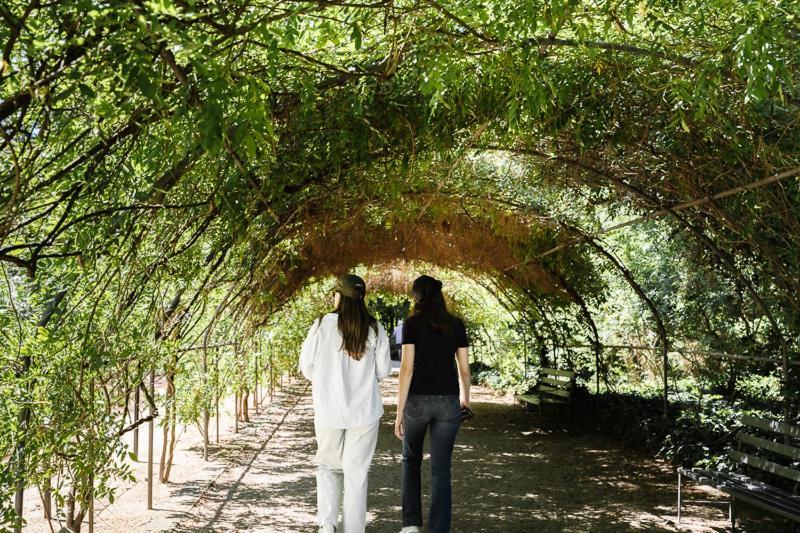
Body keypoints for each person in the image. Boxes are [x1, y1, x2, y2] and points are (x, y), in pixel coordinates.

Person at [299, 274, 392, 533]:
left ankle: (327, 526)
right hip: (364, 412)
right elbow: (383, 371)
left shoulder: (321, 325)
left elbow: (306, 366)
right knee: (357, 473)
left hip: (328, 409)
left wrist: (327, 378)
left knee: (328, 466)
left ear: (338, 295)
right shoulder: (374, 327)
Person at [394, 275, 471, 533]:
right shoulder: (457, 325)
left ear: (417, 297)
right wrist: (465, 400)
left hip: (417, 402)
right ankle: (439, 529)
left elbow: (406, 369)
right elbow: (464, 370)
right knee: (441, 469)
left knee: (411, 460)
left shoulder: (412, 324)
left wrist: (399, 412)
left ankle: (412, 524)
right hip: (448, 402)